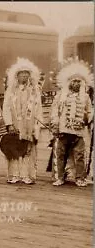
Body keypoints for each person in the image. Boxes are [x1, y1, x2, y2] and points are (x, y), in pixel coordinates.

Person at [50, 57, 93, 187]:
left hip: (79, 131)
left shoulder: (85, 97)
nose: (76, 84)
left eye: (78, 82)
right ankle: (59, 177)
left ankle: (80, 178)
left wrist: (87, 119)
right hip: (63, 129)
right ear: (69, 82)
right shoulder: (61, 96)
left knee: (79, 154)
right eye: (73, 81)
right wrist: (55, 124)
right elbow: (54, 110)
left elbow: (90, 111)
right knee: (60, 154)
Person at [3, 57, 43, 185]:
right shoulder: (10, 91)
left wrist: (37, 125)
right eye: (21, 74)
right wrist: (9, 123)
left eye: (26, 74)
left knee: (27, 150)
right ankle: (14, 175)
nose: (24, 76)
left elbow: (38, 108)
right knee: (14, 149)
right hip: (15, 124)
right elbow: (6, 107)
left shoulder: (35, 91)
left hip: (29, 125)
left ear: (30, 76)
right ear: (17, 76)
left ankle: (26, 175)